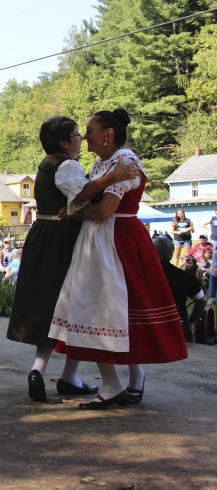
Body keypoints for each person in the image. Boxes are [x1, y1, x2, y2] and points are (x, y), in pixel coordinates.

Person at [49, 109, 187, 409]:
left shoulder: (127, 161)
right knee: (105, 311)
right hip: (99, 239)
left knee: (107, 310)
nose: (85, 136)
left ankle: (119, 386)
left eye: (90, 129)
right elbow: (84, 194)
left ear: (107, 133)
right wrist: (81, 205)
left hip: (117, 239)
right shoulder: (102, 164)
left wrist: (75, 212)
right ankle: (125, 383)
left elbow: (103, 210)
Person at [7, 115, 139, 401]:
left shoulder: (48, 164)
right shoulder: (67, 165)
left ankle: (62, 376)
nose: (83, 138)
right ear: (65, 143)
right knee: (71, 305)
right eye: (78, 134)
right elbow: (81, 193)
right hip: (62, 235)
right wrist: (113, 177)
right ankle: (51, 373)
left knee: (59, 307)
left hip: (45, 233)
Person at [155, 237, 207, 344]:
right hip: (179, 327)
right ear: (171, 252)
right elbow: (202, 301)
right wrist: (190, 322)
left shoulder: (139, 276)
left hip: (148, 329)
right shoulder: (185, 276)